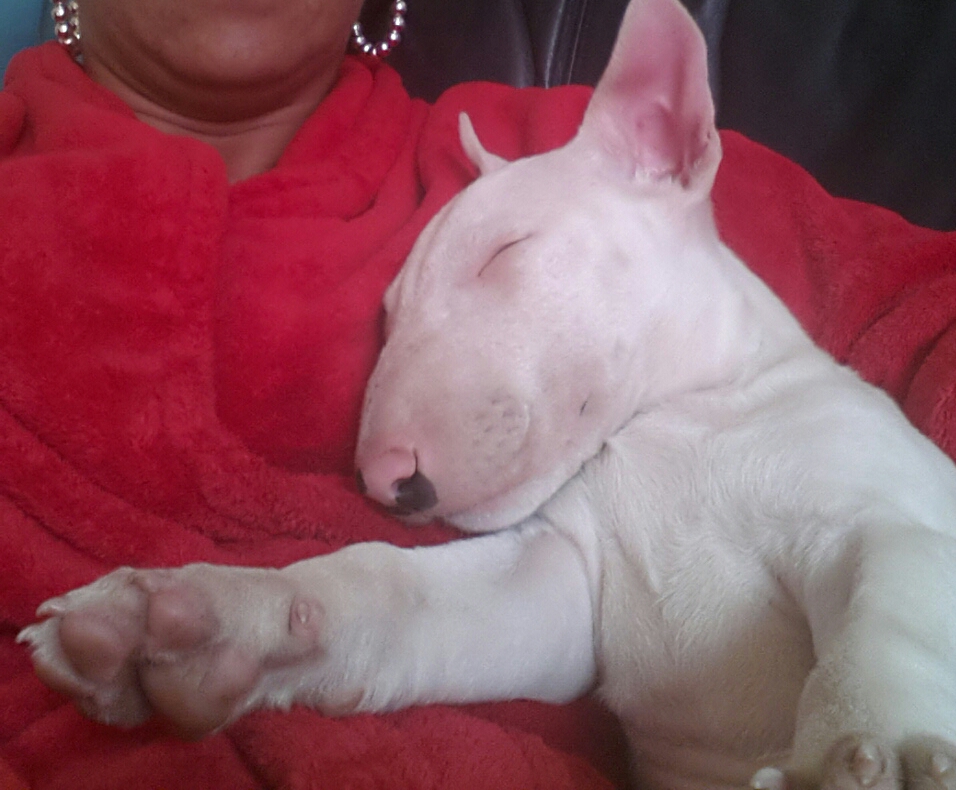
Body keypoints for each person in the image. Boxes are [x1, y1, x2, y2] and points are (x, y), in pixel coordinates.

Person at [1, 1, 955, 789]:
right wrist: (284, 618)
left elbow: (905, 550)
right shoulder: (600, 482)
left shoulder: (814, 419)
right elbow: (519, 598)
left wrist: (880, 716)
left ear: (667, 139)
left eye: (504, 258)